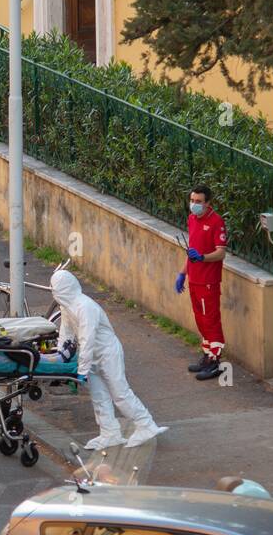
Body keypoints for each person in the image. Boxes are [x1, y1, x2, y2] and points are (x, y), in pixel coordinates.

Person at [50, 270, 166, 450]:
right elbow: (66, 333)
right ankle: (109, 432)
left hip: (107, 351)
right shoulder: (67, 307)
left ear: (65, 289)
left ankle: (146, 425)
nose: (55, 294)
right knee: (99, 395)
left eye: (57, 290)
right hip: (92, 356)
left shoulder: (85, 306)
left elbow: (87, 338)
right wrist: (60, 356)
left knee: (119, 392)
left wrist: (82, 369)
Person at [175, 185, 228, 381]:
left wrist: (203, 258)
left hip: (208, 282)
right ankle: (207, 356)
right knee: (200, 319)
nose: (194, 205)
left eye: (198, 202)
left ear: (208, 203)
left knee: (211, 320)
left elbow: (221, 252)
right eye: (192, 201)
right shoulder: (192, 219)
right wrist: (182, 273)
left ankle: (216, 361)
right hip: (195, 280)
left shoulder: (216, 222)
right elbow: (192, 251)